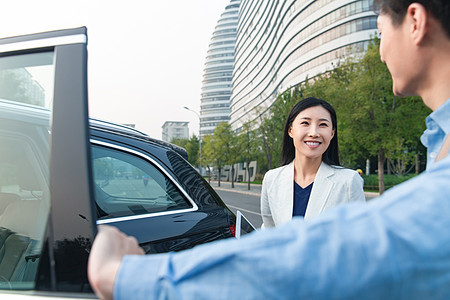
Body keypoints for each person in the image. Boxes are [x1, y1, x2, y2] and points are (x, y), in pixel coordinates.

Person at [88, 1, 450, 299]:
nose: (381, 51)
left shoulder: (358, 183)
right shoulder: (439, 143)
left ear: (415, 21)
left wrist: (125, 277)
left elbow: (342, 252)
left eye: (381, 32)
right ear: (290, 130)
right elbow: (274, 236)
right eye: (305, 124)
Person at [260, 97, 365, 227]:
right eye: (305, 123)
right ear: (290, 130)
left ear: (332, 133)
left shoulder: (349, 181)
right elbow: (270, 232)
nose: (314, 133)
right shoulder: (272, 179)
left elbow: (359, 236)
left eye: (323, 125)